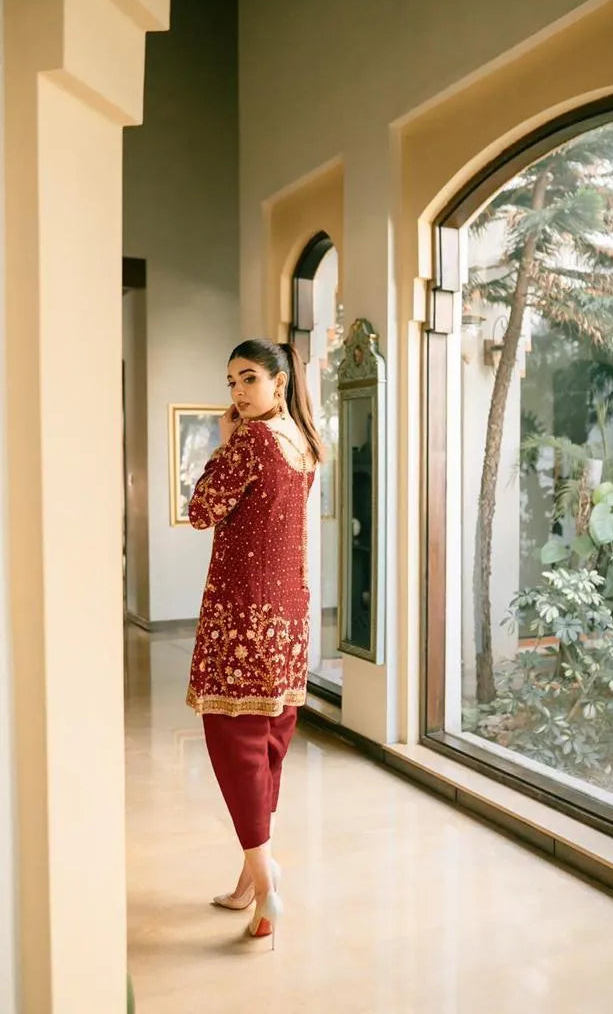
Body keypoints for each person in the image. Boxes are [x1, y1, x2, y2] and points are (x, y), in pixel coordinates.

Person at [186, 338, 322, 948]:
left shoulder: (252, 442)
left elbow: (199, 509)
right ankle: (250, 876)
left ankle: (266, 878)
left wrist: (223, 441)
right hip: (289, 617)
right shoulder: (303, 444)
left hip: (243, 617)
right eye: (231, 382)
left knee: (234, 743)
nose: (238, 393)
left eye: (248, 379)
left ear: (278, 381)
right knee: (267, 746)